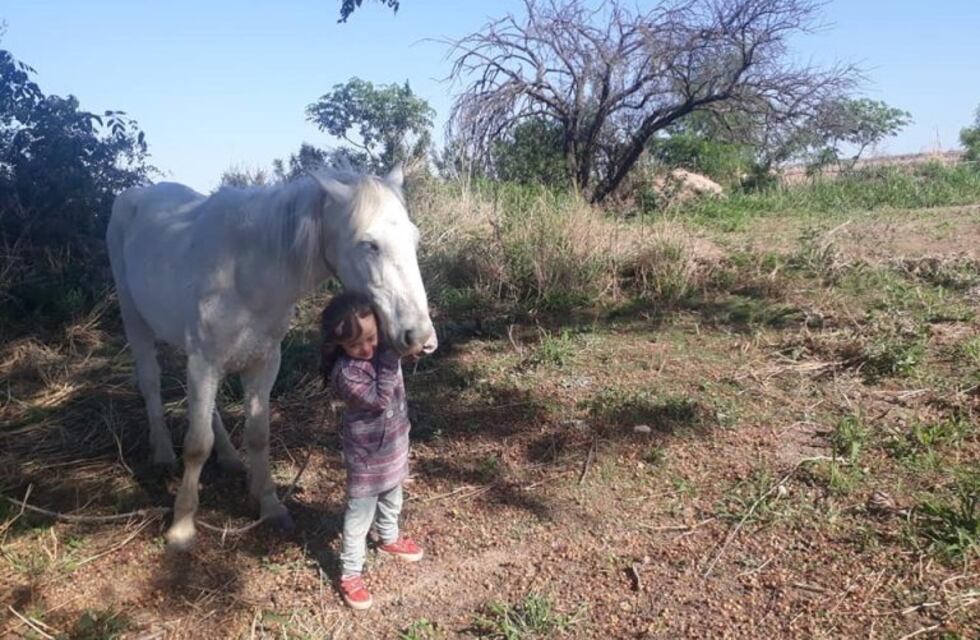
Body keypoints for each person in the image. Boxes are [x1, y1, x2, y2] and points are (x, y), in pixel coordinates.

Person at [320, 291, 423, 611]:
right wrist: (391, 354)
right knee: (359, 515)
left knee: (393, 496)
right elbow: (379, 398)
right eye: (354, 345)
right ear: (340, 346)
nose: (365, 348)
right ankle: (350, 572)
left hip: (394, 445)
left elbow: (423, 343)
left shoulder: (382, 349)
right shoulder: (348, 373)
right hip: (367, 458)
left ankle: (388, 537)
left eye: (371, 338)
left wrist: (414, 337)